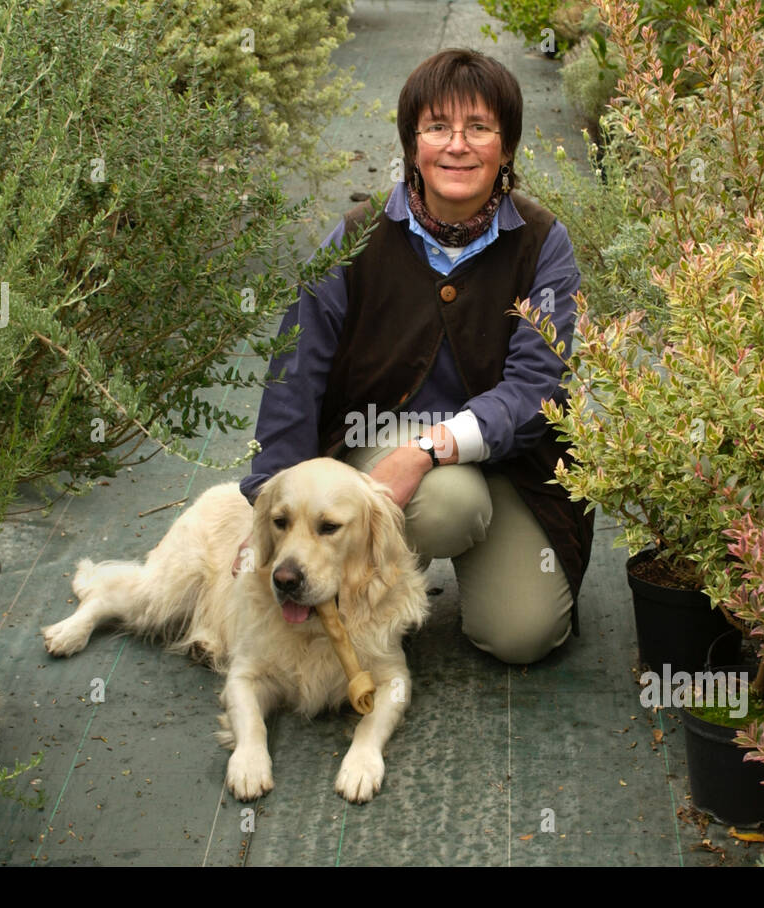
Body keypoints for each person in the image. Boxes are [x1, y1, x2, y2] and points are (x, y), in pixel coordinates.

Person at [237, 48, 594, 664]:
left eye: (479, 128)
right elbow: (296, 374)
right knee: (448, 505)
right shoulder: (357, 236)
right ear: (412, 142)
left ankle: (399, 567)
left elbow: (539, 388)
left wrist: (429, 448)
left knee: (523, 635)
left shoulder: (543, 242)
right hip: (371, 445)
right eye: (437, 128)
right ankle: (374, 590)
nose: (457, 146)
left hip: (507, 462)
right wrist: (269, 511)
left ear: (505, 148)